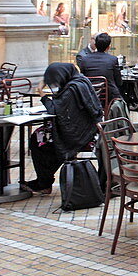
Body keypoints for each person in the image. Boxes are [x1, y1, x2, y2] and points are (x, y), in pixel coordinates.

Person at [23, 63, 102, 195]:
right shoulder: (81, 81)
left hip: (79, 135)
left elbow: (55, 109)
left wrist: (41, 92)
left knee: (37, 140)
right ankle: (44, 181)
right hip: (87, 129)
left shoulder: (72, 88)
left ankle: (44, 182)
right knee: (45, 139)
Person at [78, 32, 124, 103]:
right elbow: (119, 81)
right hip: (109, 96)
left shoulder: (85, 59)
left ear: (95, 45)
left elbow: (82, 78)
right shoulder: (113, 59)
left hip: (89, 94)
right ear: (108, 47)